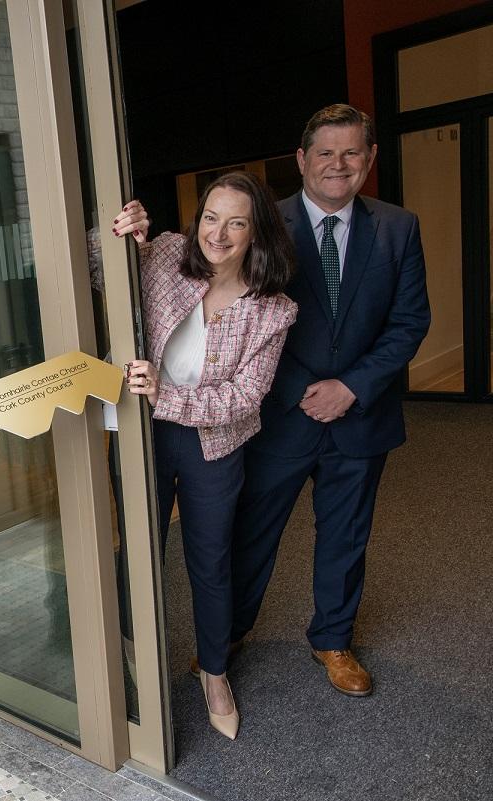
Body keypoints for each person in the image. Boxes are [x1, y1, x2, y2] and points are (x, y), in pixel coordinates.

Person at [229, 104, 431, 696]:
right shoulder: (262, 224)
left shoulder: (399, 227)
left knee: (346, 535)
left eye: (351, 153)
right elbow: (242, 317)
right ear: (301, 160)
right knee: (253, 530)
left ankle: (333, 640)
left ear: (368, 161)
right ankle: (229, 635)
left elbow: (410, 321)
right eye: (325, 152)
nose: (337, 165)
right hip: (280, 414)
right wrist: (301, 390)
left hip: (361, 415)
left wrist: (352, 387)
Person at [112, 171, 298, 739]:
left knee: (211, 562)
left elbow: (246, 396)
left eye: (236, 222)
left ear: (255, 232)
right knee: (136, 547)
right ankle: (129, 651)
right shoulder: (166, 254)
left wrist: (167, 394)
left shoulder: (273, 310)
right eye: (211, 217)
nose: (218, 233)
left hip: (213, 443)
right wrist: (119, 229)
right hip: (144, 430)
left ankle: (214, 673)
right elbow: (95, 268)